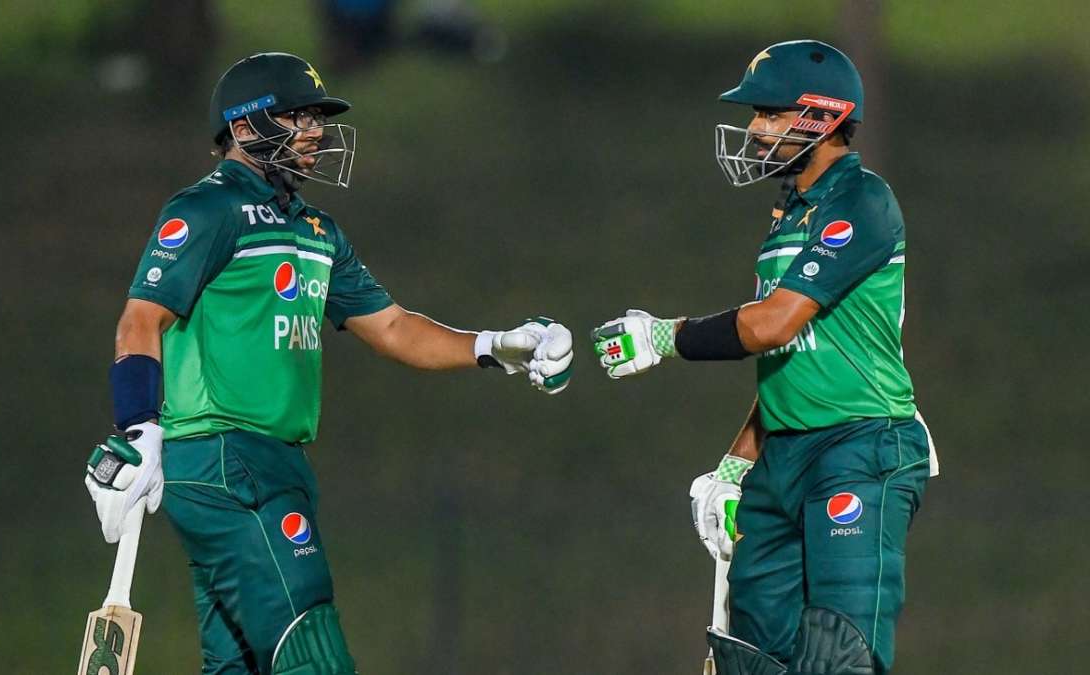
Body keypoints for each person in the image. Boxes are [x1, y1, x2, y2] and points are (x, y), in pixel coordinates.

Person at [83, 52, 573, 675]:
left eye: (317, 117)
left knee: (239, 665)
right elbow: (140, 320)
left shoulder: (317, 229)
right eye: (297, 116)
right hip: (224, 458)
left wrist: (495, 345)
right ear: (244, 128)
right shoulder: (207, 210)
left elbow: (394, 328)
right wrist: (140, 428)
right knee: (309, 643)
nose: (315, 131)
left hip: (273, 462)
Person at [591, 40, 937, 674]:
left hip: (858, 449)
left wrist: (665, 337)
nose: (754, 128)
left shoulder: (862, 202)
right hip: (783, 457)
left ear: (822, 118)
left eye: (770, 113)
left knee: (838, 657)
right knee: (752, 658)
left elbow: (774, 327)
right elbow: (796, 359)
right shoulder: (788, 215)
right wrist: (736, 461)